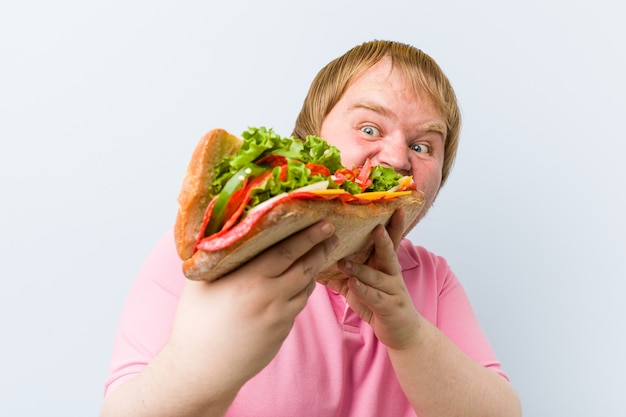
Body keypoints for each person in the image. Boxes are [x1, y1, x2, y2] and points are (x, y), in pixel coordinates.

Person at [100, 40, 522, 417]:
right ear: (310, 139)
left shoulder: (433, 279)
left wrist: (407, 333)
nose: (397, 158)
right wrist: (211, 361)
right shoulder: (208, 247)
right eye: (369, 128)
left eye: (422, 146)